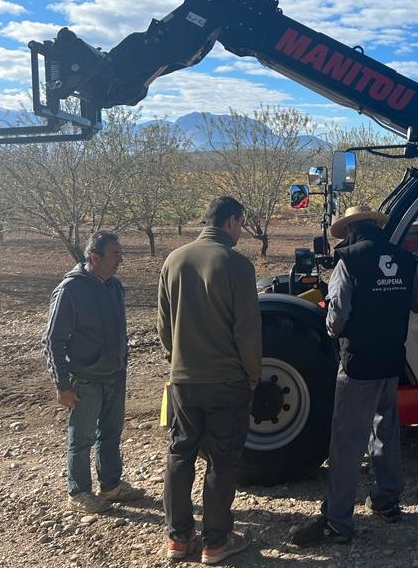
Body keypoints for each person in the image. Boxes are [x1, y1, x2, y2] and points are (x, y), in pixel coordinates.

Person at [291, 205, 418, 547]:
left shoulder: (348, 260)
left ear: (352, 228)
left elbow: (337, 314)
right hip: (391, 361)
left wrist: (329, 330)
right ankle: (387, 502)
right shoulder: (405, 259)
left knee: (347, 440)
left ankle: (338, 521)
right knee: (385, 429)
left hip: (358, 364)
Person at [158, 196, 261, 565]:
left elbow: (164, 327)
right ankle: (216, 542)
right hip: (228, 382)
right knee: (221, 460)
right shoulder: (237, 265)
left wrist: (179, 362)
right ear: (232, 221)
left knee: (180, 453)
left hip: (183, 381)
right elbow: (248, 331)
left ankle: (178, 539)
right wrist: (253, 375)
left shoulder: (173, 261)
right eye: (240, 223)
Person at [43, 230, 144, 514]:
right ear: (94, 257)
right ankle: (78, 492)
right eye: (116, 255)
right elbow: (52, 339)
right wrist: (62, 385)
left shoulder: (115, 285)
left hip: (115, 374)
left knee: (111, 433)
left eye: (121, 254)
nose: (121, 260)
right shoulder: (70, 290)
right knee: (82, 438)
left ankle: (110, 485)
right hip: (85, 378)